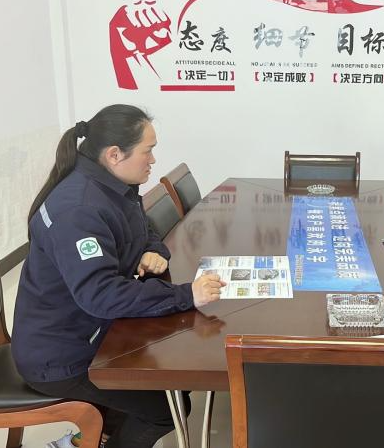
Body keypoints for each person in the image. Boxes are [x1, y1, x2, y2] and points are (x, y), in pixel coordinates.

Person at [12, 104, 226, 448]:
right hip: (62, 356)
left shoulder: (114, 187)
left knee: (176, 381)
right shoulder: (78, 209)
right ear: (114, 154)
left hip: (94, 330)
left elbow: (145, 228)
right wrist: (188, 295)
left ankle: (88, 438)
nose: (153, 160)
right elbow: (102, 295)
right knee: (164, 410)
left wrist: (154, 251)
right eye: (147, 150)